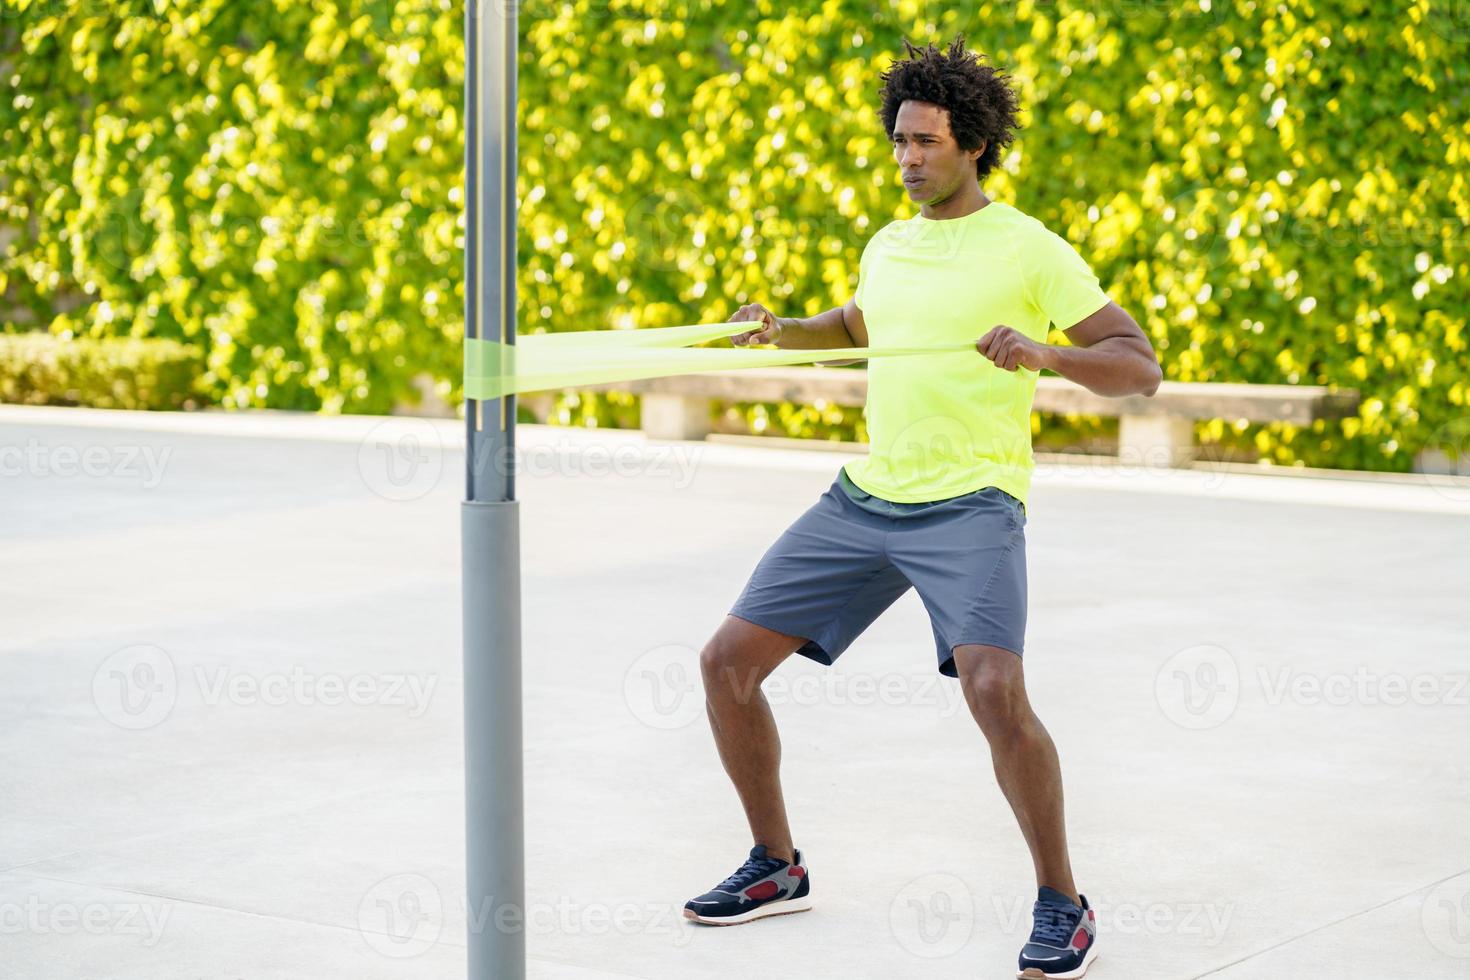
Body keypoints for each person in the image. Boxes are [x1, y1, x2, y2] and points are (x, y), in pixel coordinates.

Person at [681, 36, 1162, 980]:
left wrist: (1047, 353)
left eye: (926, 142)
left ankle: (1064, 901)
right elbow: (859, 327)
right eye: (898, 140)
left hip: (971, 504)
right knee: (725, 665)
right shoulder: (888, 243)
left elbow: (1138, 367)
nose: (907, 158)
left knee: (994, 691)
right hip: (868, 497)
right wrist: (785, 333)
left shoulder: (1029, 246)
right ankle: (777, 867)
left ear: (972, 143)